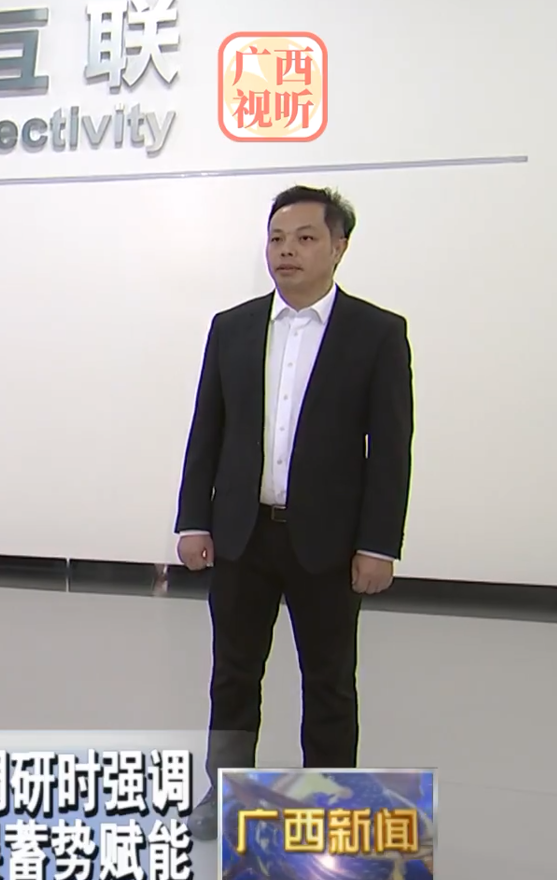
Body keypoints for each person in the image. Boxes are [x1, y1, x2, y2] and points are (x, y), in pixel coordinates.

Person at [173, 185, 413, 840]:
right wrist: (193, 519)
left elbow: (391, 448)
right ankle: (223, 794)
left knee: (329, 682)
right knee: (232, 678)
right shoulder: (233, 327)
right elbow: (207, 430)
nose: (287, 251)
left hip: (328, 543)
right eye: (277, 238)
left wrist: (378, 544)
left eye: (306, 238)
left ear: (339, 247)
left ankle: (333, 806)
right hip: (242, 536)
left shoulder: (376, 333)